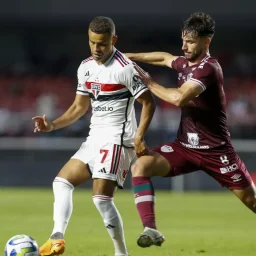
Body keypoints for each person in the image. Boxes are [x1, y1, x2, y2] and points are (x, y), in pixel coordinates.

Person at [125, 12, 256, 248]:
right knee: (140, 165)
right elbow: (164, 58)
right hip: (184, 147)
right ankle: (151, 229)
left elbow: (179, 98)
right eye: (183, 40)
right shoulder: (185, 63)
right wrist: (126, 57)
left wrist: (149, 83)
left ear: (207, 41)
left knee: (253, 202)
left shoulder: (209, 69)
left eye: (191, 41)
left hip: (217, 152)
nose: (184, 46)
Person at [33, 16, 155, 256]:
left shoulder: (125, 68)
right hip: (94, 139)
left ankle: (121, 253)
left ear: (114, 40)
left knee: (100, 199)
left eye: (102, 44)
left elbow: (148, 102)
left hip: (118, 141)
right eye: (92, 43)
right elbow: (79, 107)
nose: (96, 49)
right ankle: (57, 237)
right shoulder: (85, 66)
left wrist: (139, 137)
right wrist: (52, 126)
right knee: (61, 183)